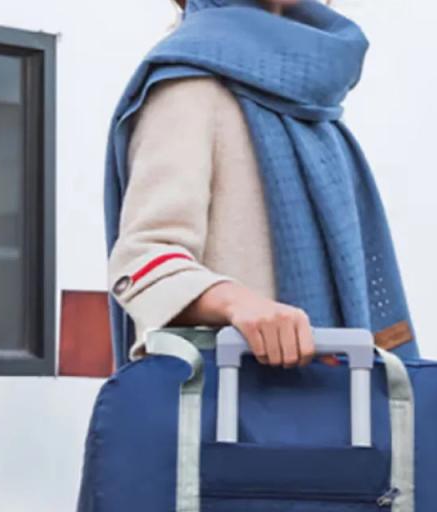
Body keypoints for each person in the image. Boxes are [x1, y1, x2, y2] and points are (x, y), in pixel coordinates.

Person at [105, 0, 418, 368]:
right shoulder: (190, 88)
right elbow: (143, 259)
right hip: (236, 395)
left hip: (333, 392)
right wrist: (235, 302)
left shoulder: (312, 95)